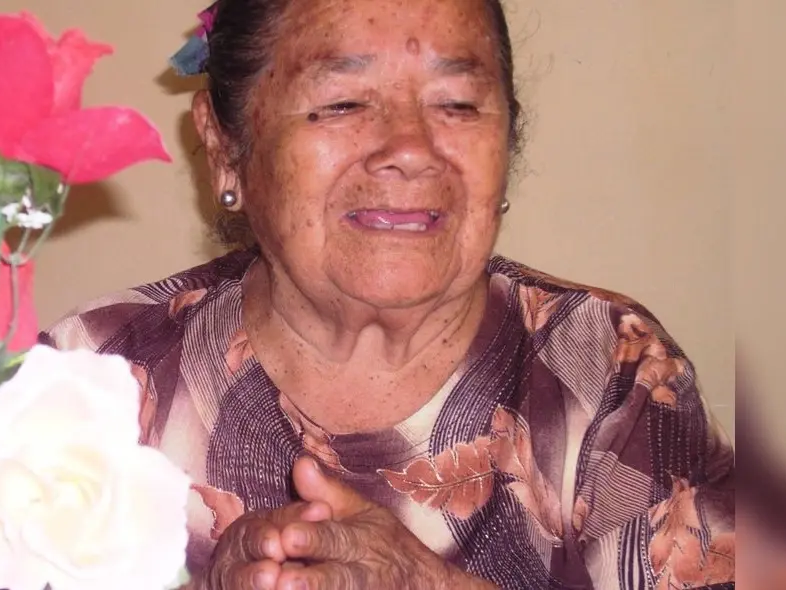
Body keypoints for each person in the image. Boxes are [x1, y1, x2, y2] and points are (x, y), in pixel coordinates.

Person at [43, 0, 736, 588]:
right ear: (227, 149)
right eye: (342, 102)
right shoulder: (93, 376)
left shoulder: (611, 368)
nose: (409, 146)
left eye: (457, 104)